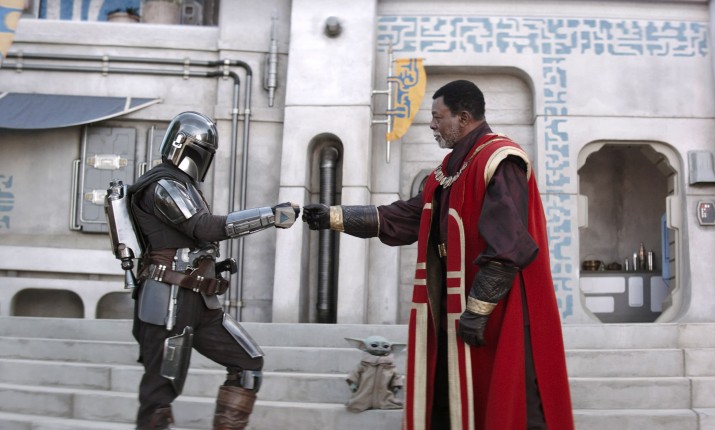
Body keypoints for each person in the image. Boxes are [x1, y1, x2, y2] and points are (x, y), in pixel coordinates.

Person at [302, 80, 574, 429]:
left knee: (511, 402)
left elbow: (509, 243)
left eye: (437, 117)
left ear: (463, 117)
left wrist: (478, 310)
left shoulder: (500, 159)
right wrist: (334, 216)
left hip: (500, 307)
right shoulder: (447, 172)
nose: (432, 125)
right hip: (452, 306)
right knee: (450, 398)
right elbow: (405, 217)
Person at [126, 111, 299, 430]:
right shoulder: (162, 184)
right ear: (182, 145)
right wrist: (271, 215)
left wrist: (212, 265)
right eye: (201, 151)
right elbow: (202, 227)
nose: (203, 159)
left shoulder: (183, 185)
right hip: (168, 301)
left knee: (248, 363)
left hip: (199, 302)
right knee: (159, 397)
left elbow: (194, 238)